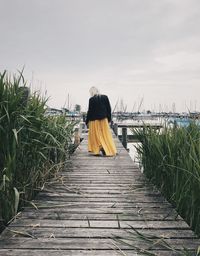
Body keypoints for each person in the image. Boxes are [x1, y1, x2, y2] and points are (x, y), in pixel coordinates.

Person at [86, 86, 117, 156]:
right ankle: (107, 148)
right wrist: (109, 119)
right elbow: (109, 108)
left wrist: (87, 121)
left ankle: (97, 149)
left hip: (94, 121)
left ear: (91, 92)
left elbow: (90, 111)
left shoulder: (91, 99)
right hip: (103, 119)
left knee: (96, 135)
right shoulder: (105, 97)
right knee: (105, 135)